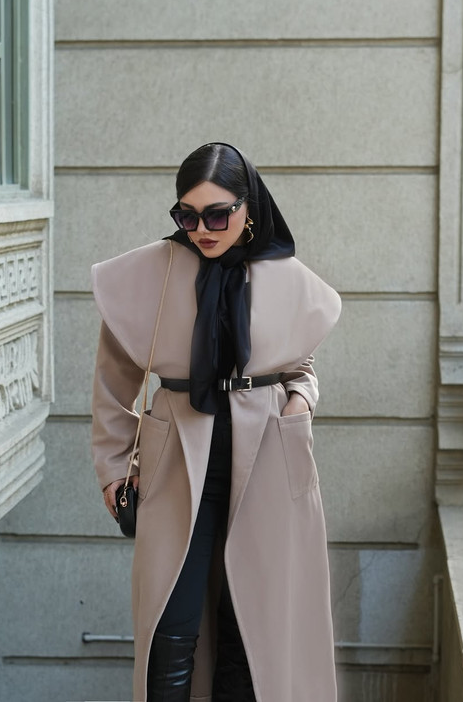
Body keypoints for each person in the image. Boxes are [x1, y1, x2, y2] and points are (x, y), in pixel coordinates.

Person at [91, 143, 341, 702]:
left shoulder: (282, 274)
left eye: (217, 215)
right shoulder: (151, 273)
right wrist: (113, 468)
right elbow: (113, 381)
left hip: (269, 457)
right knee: (169, 624)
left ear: (248, 208)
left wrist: (299, 404)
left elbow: (299, 364)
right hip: (177, 460)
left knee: (252, 628)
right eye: (187, 216)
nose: (202, 229)